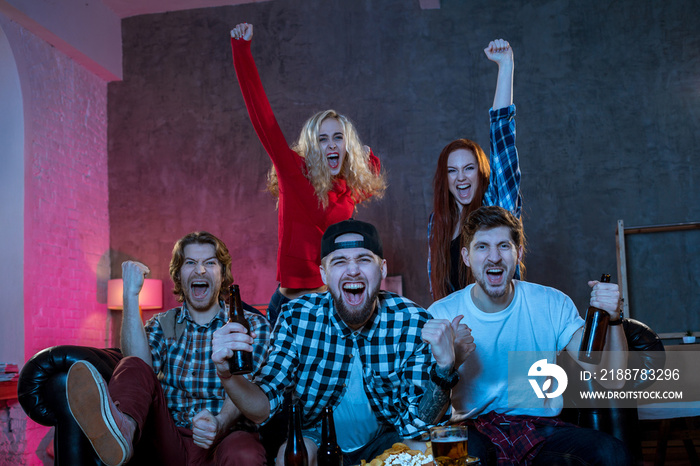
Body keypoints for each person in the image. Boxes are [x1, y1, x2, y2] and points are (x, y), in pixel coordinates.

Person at [211, 219, 469, 466]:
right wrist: (228, 376)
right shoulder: (296, 317)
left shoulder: (412, 320)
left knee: (425, 452)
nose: (353, 270)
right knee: (290, 456)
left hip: (386, 439)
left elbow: (418, 425)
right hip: (318, 438)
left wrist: (444, 369)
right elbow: (262, 408)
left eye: (364, 260)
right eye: (339, 262)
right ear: (324, 273)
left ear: (382, 269)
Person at [428, 206, 632, 465]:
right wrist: (448, 363)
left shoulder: (552, 303)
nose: (494, 257)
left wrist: (614, 319)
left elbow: (612, 379)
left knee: (612, 453)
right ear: (467, 256)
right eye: (482, 247)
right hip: (473, 429)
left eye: (504, 246)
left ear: (519, 253)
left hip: (540, 428)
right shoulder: (441, 313)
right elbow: (424, 413)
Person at [66, 232, 270, 466]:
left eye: (210, 263)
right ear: (179, 274)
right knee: (132, 363)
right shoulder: (162, 324)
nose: (200, 271)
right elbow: (137, 367)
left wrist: (220, 422)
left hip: (226, 437)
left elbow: (250, 383)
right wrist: (130, 295)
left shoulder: (250, 325)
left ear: (222, 274)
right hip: (170, 438)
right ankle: (123, 432)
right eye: (190, 263)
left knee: (245, 453)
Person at [230, 23, 386, 325]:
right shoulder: (293, 173)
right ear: (312, 146)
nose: (331, 144)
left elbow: (370, 178)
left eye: (338, 137)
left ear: (346, 144)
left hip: (331, 304)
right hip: (290, 306)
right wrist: (242, 51)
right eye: (322, 138)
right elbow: (261, 116)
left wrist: (368, 157)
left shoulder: (348, 189)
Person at [428, 39, 522, 300]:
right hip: (458, 332)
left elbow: (503, 141)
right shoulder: (437, 223)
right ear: (444, 179)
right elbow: (438, 291)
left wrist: (505, 66)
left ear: (481, 173)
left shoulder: (494, 208)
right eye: (452, 170)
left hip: (497, 323)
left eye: (469, 168)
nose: (461, 177)